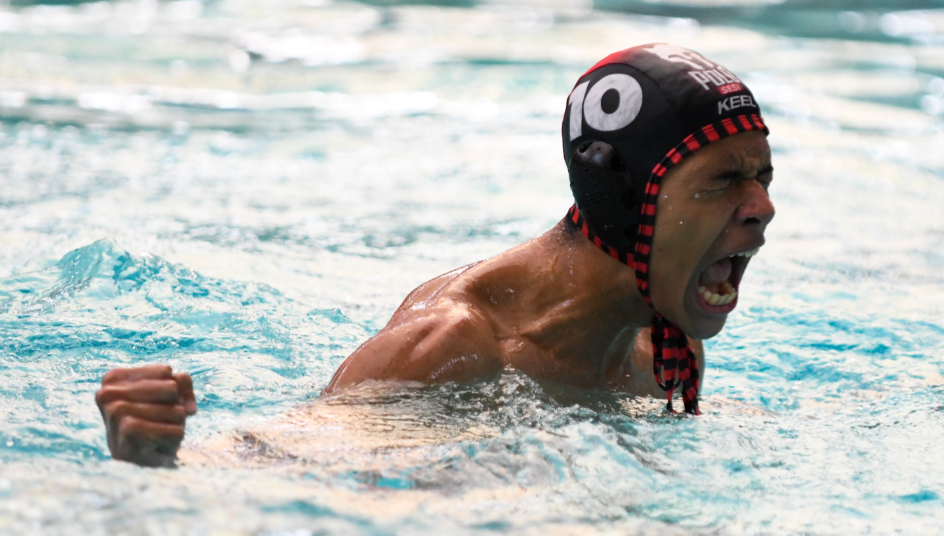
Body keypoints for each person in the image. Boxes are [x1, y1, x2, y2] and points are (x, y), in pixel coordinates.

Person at [95, 43, 775, 467]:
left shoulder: (664, 348)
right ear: (629, 199)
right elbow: (262, 473)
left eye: (762, 178)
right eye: (721, 182)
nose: (761, 208)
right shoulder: (454, 348)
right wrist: (150, 460)